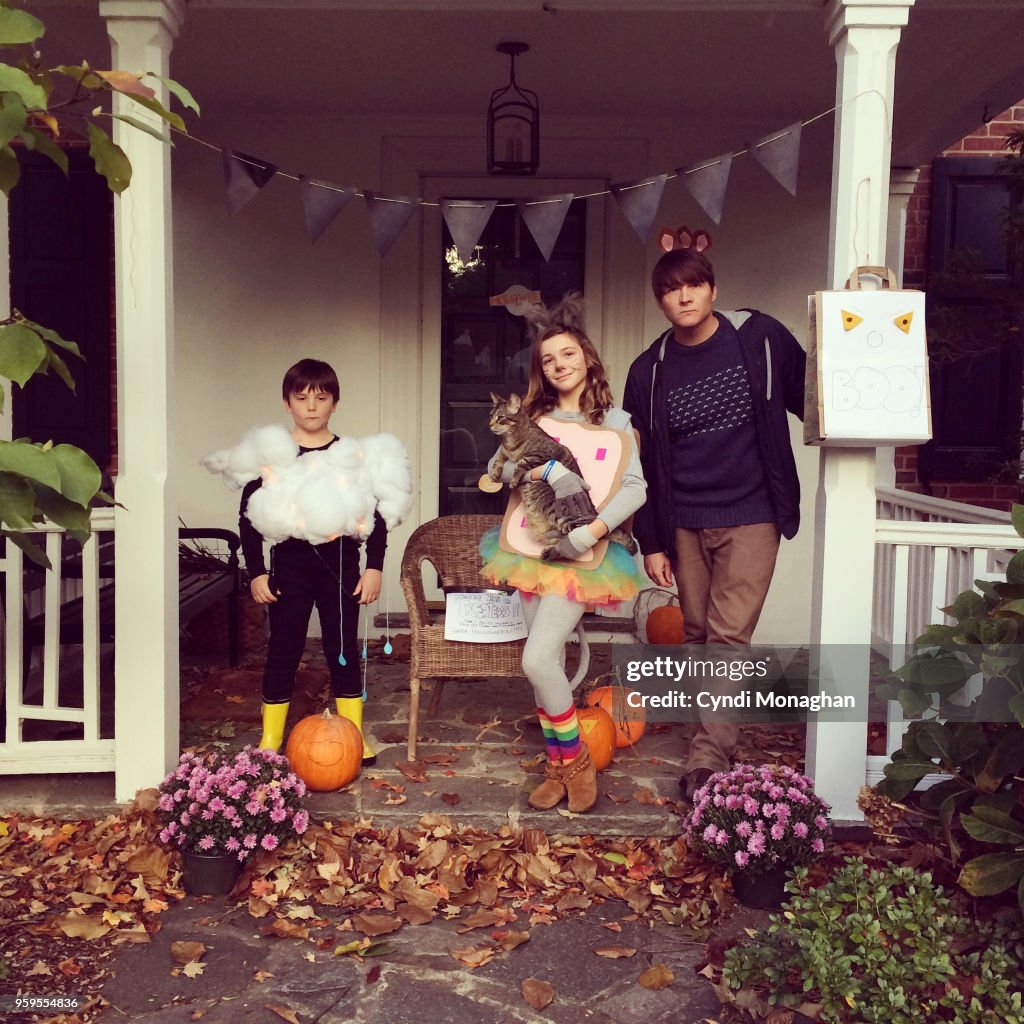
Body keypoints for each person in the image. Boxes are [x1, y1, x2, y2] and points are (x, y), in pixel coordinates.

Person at [622, 242, 806, 800]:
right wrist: (651, 542)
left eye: (694, 284)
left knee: (727, 637)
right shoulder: (648, 371)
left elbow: (815, 396)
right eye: (672, 289)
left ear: (712, 288)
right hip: (684, 519)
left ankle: (707, 758)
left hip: (753, 513)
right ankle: (713, 727)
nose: (684, 295)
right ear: (661, 301)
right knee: (697, 632)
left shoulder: (760, 338)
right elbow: (642, 466)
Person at [480, 294, 647, 813]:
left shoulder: (616, 423)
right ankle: (559, 767)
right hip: (531, 548)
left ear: (587, 359)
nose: (559, 365)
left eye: (568, 354)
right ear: (542, 370)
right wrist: (539, 470)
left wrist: (588, 532)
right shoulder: (534, 418)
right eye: (549, 360)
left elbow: (636, 489)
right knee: (543, 663)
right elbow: (493, 472)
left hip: (584, 551)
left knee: (536, 657)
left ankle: (575, 763)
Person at [239, 358, 386, 762]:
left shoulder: (349, 457)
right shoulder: (276, 458)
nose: (311, 406)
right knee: (284, 648)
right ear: (287, 403)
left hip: (342, 567)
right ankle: (271, 737)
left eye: (321, 398)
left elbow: (376, 515)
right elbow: (248, 517)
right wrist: (257, 572)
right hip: (289, 567)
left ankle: (353, 734)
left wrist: (374, 567)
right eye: (301, 397)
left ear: (334, 404)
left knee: (342, 649)